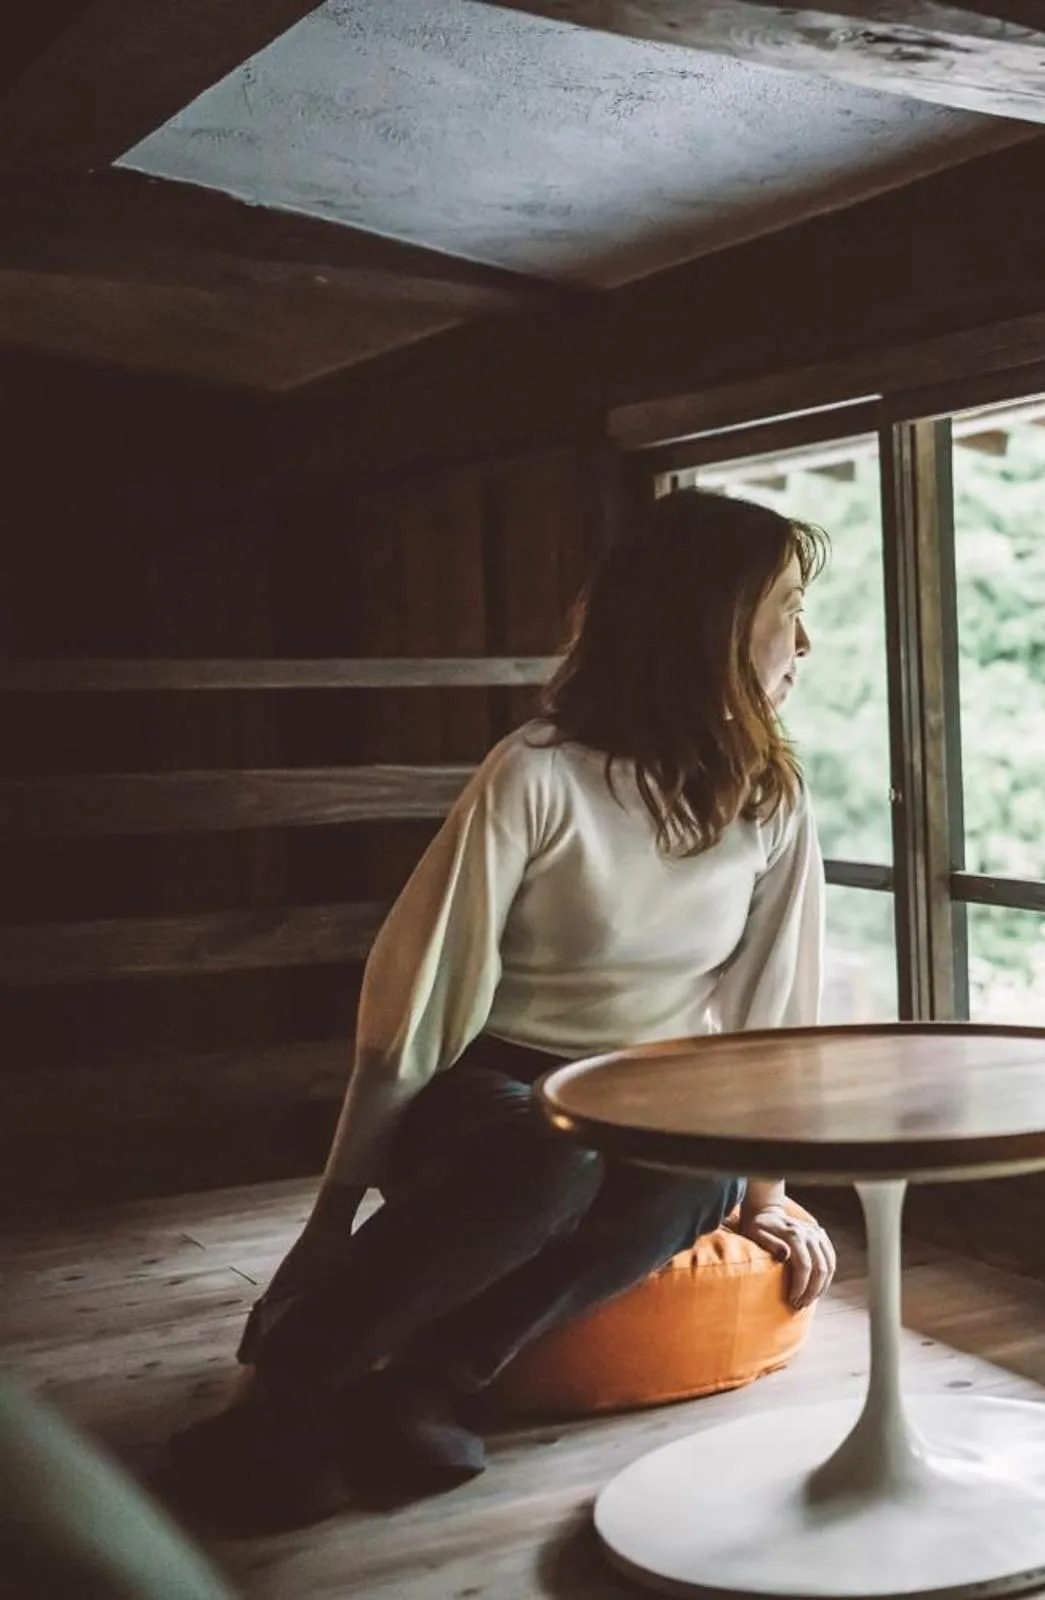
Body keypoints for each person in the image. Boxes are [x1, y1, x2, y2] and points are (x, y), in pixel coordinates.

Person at [169, 490, 842, 1528]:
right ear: (707, 621)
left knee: (694, 1163)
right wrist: (332, 1212)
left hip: (647, 1102)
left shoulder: (772, 797)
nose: (807, 637)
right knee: (552, 1151)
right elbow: (421, 1002)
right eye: (787, 607)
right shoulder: (537, 774)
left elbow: (767, 1019)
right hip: (489, 1090)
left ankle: (426, 1383)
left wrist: (765, 1194)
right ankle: (292, 1389)